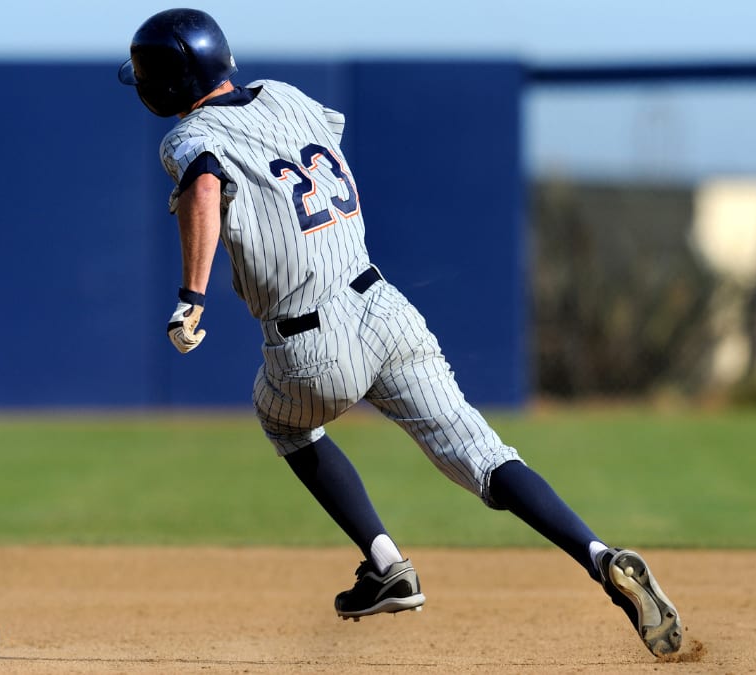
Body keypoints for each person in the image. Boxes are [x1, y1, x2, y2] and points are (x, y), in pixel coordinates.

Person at [118, 8, 684, 658]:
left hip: (311, 340)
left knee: (283, 421)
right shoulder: (284, 95)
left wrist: (191, 296)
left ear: (167, 81)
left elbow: (204, 183)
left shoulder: (188, 136)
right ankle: (599, 554)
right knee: (483, 453)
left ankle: (386, 562)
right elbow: (309, 153)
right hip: (385, 308)